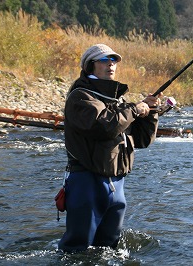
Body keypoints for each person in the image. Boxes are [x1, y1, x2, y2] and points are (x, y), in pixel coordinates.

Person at [58, 44, 160, 252]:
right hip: (87, 182)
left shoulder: (117, 100)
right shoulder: (80, 97)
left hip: (117, 185)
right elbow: (104, 126)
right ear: (90, 66)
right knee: (77, 249)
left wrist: (151, 111)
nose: (111, 64)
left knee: (108, 249)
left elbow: (141, 140)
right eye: (104, 60)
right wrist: (134, 109)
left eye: (113, 60)